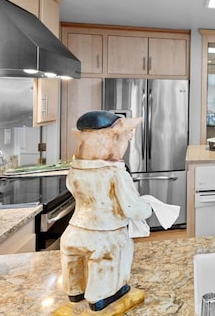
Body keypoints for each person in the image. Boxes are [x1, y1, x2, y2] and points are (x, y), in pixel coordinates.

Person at [60, 110, 152, 311]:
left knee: (73, 266)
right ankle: (99, 298)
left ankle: (74, 292)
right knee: (107, 265)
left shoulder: (75, 169)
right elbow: (131, 207)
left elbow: (73, 190)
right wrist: (148, 208)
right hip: (106, 234)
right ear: (114, 139)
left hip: (74, 230)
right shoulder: (114, 173)